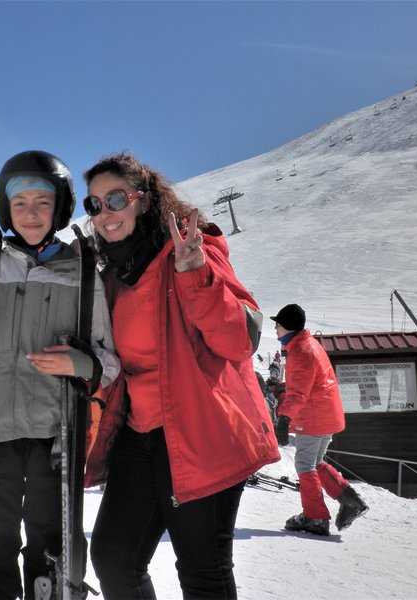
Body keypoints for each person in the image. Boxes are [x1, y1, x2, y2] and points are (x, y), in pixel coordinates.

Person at [82, 151, 279, 599]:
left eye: (115, 199)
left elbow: (240, 342)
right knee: (114, 558)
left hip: (200, 429)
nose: (105, 213)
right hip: (140, 433)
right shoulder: (113, 275)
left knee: (202, 570)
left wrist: (197, 277)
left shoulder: (194, 251)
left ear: (145, 200)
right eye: (94, 205)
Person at [0, 150, 120, 599]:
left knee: (49, 545)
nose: (31, 214)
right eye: (20, 204)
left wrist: (82, 365)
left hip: (54, 438)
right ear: (6, 209)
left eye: (42, 202)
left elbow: (109, 361)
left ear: (59, 206)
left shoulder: (81, 274)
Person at [271, 303, 369, 536]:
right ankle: (350, 500)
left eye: (278, 324)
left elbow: (300, 394)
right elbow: (306, 385)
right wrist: (283, 391)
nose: (275, 328)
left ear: (288, 327)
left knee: (304, 465)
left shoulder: (300, 351)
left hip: (313, 417)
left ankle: (315, 518)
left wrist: (283, 418)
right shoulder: (308, 345)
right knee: (316, 462)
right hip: (325, 414)